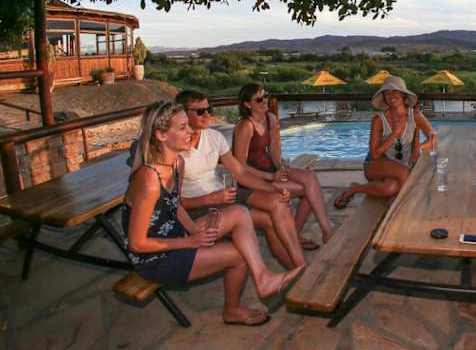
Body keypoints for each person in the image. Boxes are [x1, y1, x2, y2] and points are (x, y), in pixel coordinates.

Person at [122, 101, 303, 326]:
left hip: (177, 235)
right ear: (161, 135)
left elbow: (175, 205)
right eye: (182, 127)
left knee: (239, 212)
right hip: (155, 256)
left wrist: (193, 229)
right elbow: (137, 244)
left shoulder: (177, 163)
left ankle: (263, 278)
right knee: (240, 255)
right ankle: (233, 309)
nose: (190, 131)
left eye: (188, 125)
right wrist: (190, 241)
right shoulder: (149, 178)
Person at [174, 90, 307, 270]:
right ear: (183, 114)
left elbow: (240, 174)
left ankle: (301, 266)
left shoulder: (214, 137)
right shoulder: (175, 148)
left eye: (208, 109)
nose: (207, 115)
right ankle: (298, 270)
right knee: (268, 220)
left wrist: (274, 188)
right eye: (200, 111)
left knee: (278, 201)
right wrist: (209, 199)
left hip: (222, 195)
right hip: (198, 206)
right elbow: (173, 203)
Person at [233, 83, 334, 249]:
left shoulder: (270, 118)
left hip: (270, 170)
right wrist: (271, 176)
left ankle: (326, 230)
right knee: (307, 190)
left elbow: (274, 150)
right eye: (259, 99)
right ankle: (296, 234)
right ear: (247, 104)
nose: (264, 101)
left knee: (310, 177)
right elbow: (239, 166)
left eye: (265, 96)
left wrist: (280, 168)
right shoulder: (245, 126)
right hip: (252, 180)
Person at [334, 76, 436, 207]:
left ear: (403, 94)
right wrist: (394, 134)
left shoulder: (415, 115)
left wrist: (419, 148)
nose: (391, 96)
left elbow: (434, 137)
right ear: (383, 97)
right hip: (376, 164)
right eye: (387, 93)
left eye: (395, 91)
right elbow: (375, 153)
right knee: (404, 173)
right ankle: (404, 208)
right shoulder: (378, 120)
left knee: (391, 188)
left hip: (401, 164)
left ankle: (355, 188)